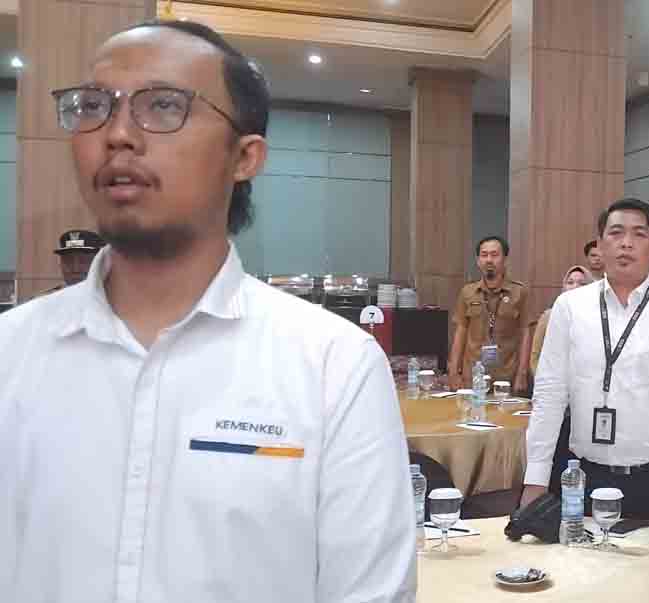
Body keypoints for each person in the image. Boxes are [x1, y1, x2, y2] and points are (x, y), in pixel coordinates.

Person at [0, 20, 415, 602]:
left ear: (245, 157)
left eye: (164, 106)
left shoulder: (333, 366)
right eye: (93, 106)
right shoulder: (11, 352)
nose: (117, 134)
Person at [520, 198, 649, 525]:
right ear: (599, 245)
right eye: (616, 232)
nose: (626, 243)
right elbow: (549, 394)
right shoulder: (570, 307)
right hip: (580, 476)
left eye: (639, 234)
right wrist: (536, 479)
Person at [448, 236, 531, 393]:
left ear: (505, 259)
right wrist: (453, 371)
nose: (489, 260)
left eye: (494, 255)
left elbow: (525, 333)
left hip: (506, 377)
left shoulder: (519, 292)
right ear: (478, 261)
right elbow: (461, 331)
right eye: (484, 255)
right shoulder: (468, 292)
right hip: (473, 376)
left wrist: (522, 372)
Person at [530, 265, 593, 375]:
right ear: (564, 287)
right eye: (570, 282)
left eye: (582, 283)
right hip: (552, 380)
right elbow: (536, 355)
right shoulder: (549, 316)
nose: (575, 286)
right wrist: (542, 379)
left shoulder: (597, 318)